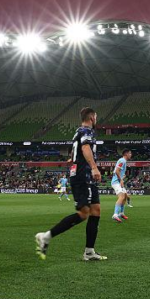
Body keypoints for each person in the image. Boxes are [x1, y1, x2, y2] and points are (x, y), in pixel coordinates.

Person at [35, 107, 106, 261]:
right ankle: (45, 236)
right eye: (96, 117)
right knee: (84, 213)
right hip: (83, 175)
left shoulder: (78, 131)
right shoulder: (87, 131)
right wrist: (94, 167)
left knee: (96, 211)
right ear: (92, 118)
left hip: (84, 174)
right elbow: (85, 147)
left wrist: (73, 160)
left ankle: (89, 251)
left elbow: (77, 150)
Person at [112, 149, 132, 222]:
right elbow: (117, 171)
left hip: (119, 181)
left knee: (125, 197)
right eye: (130, 153)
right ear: (126, 154)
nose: (131, 154)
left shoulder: (124, 161)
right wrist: (120, 180)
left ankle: (121, 213)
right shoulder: (122, 161)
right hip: (116, 182)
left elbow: (119, 172)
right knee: (121, 197)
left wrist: (122, 178)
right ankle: (115, 214)